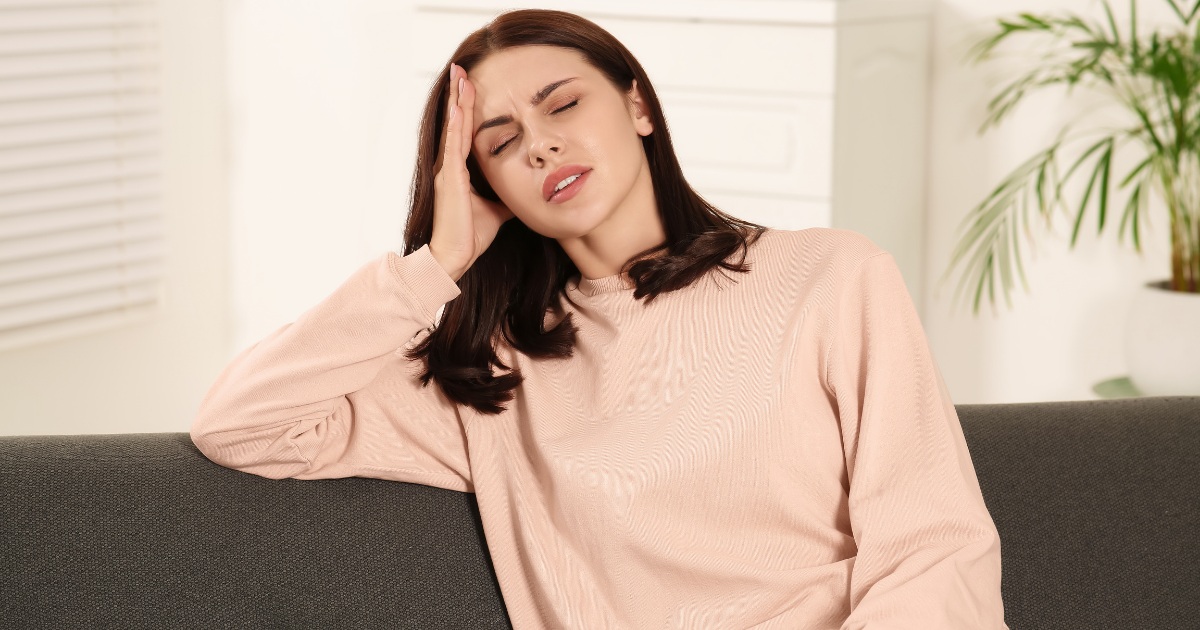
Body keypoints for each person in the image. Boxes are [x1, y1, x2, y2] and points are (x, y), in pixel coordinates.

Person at [190, 9, 1009, 630]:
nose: (541, 146)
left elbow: (933, 545)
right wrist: (434, 266)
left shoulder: (832, 277)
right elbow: (244, 425)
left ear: (638, 106)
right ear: (485, 189)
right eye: (502, 143)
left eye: (562, 105)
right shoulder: (491, 379)